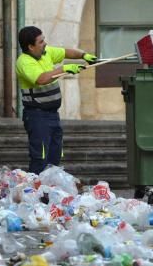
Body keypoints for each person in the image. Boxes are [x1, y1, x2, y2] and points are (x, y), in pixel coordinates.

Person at [15, 26, 97, 174]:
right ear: (30, 46)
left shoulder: (46, 53)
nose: (45, 43)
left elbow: (66, 52)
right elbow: (41, 79)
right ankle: (36, 191)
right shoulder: (24, 62)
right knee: (40, 157)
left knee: (55, 155)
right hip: (37, 115)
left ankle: (51, 189)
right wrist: (64, 69)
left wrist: (84, 55)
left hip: (53, 114)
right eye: (41, 42)